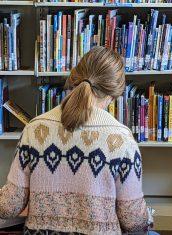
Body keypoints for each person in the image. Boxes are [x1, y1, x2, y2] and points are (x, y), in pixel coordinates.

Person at [0, 46, 150, 234]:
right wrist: (147, 216)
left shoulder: (34, 129)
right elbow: (133, 221)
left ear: (74, 78)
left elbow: (8, 206)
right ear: (115, 92)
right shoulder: (122, 140)